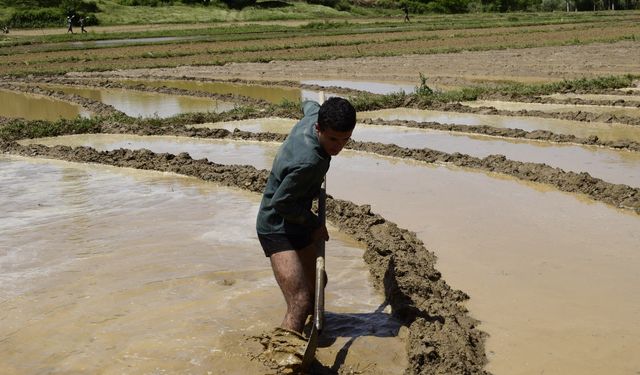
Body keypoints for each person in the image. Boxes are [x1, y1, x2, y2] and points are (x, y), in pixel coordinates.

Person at [256, 97, 356, 360]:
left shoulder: (315, 116)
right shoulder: (308, 161)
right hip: (277, 225)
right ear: (319, 129)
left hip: (297, 216)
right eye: (333, 139)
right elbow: (281, 203)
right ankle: (282, 357)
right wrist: (315, 224)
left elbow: (309, 104)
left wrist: (310, 100)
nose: (339, 147)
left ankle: (309, 332)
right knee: (300, 300)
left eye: (346, 140)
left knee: (318, 284)